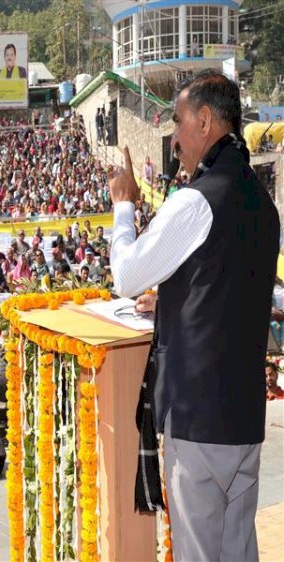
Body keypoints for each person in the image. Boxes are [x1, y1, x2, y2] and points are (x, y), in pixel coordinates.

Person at [109, 70, 279, 560]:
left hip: (200, 419)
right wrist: (177, 299)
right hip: (243, 417)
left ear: (205, 121)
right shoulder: (261, 203)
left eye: (178, 122)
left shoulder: (196, 200)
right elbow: (230, 288)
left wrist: (123, 207)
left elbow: (127, 274)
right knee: (238, 549)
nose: (174, 138)